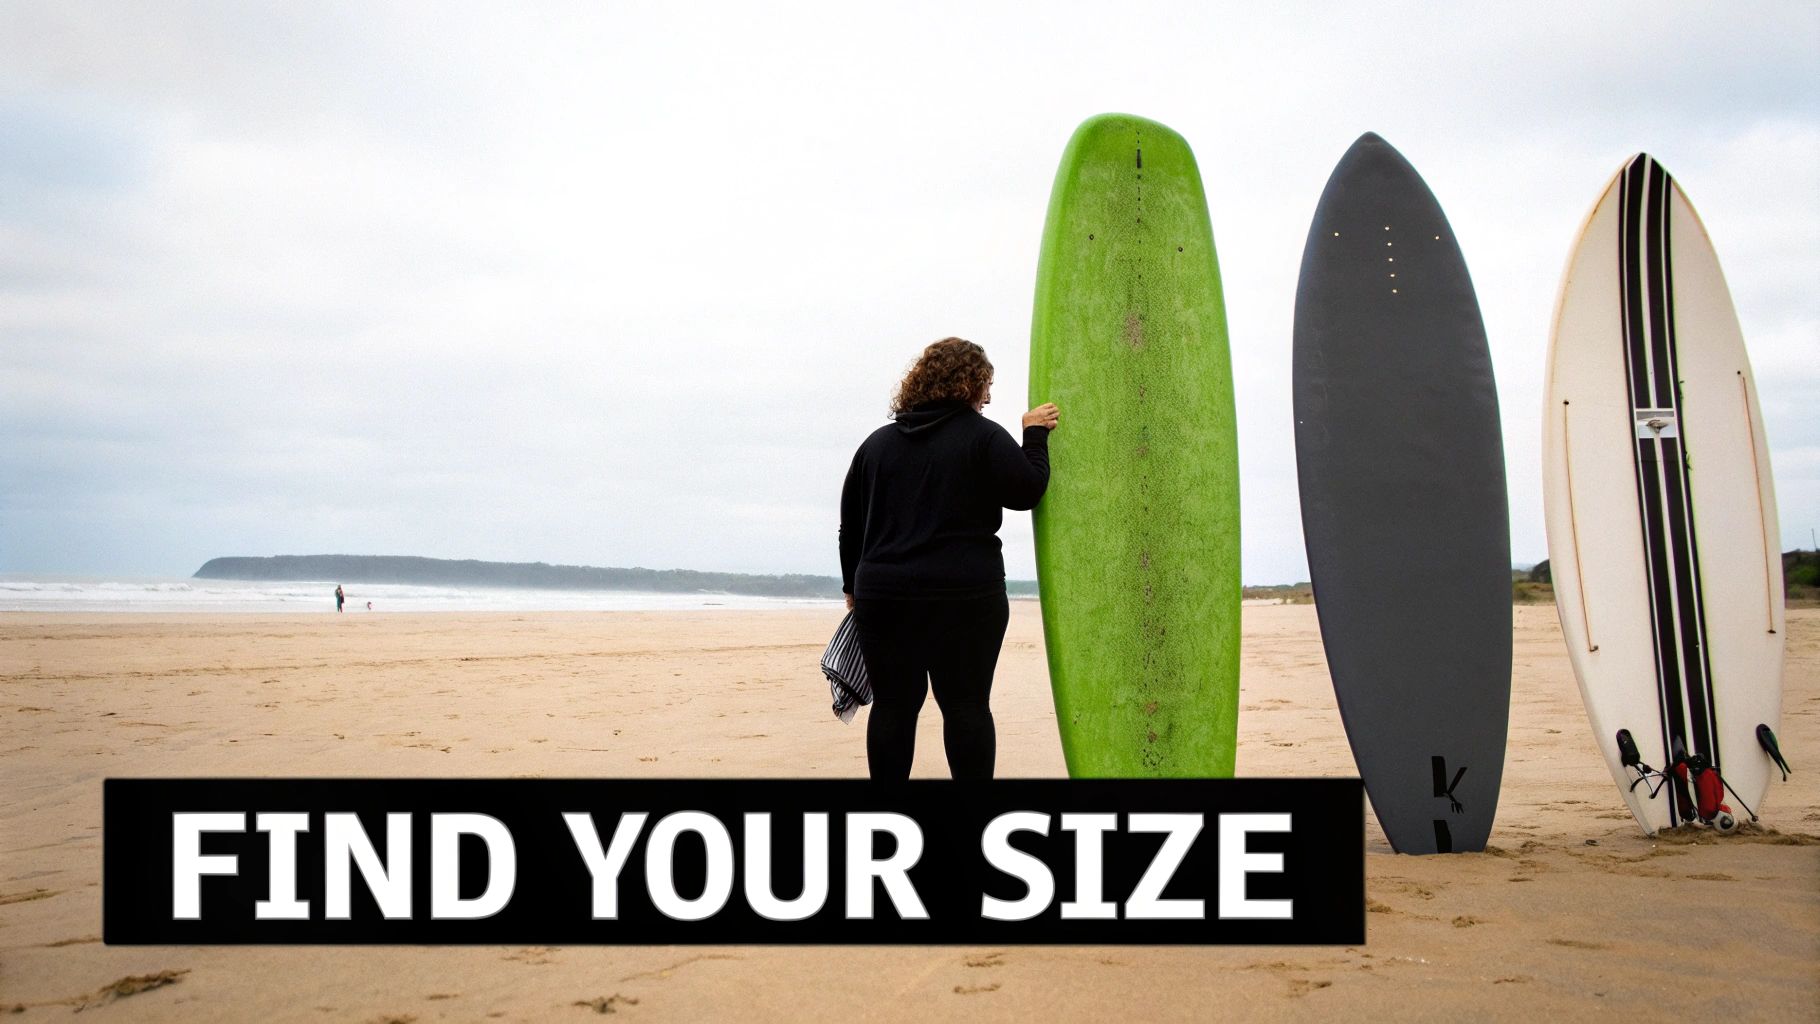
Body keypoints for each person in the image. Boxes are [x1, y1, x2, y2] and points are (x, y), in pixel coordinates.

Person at [838, 336, 1058, 781]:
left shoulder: (876, 446)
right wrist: (1034, 435)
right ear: (974, 385)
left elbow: (851, 527)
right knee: (966, 704)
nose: (988, 395)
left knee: (895, 705)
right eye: (986, 385)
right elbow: (1028, 490)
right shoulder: (984, 437)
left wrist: (851, 588)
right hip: (966, 595)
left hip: (885, 596)